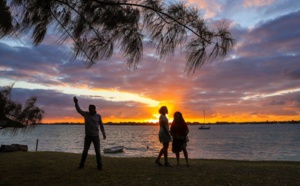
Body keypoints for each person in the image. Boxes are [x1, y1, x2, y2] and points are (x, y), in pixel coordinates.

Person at [73, 96, 106, 170]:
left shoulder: (98, 116)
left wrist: (103, 133)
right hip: (88, 136)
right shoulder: (86, 114)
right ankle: (81, 164)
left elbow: (101, 125)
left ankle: (99, 166)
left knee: (97, 151)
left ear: (94, 109)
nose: (89, 110)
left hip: (96, 137)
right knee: (85, 151)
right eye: (89, 109)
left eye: (90, 109)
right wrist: (76, 103)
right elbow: (79, 110)